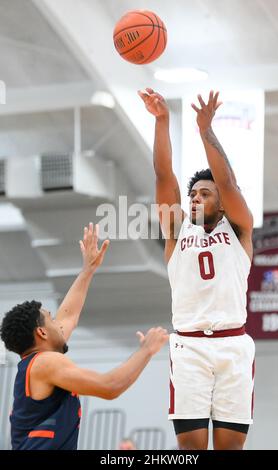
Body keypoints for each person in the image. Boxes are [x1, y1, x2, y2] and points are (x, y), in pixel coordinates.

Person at [138, 89, 255, 450]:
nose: (195, 198)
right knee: (190, 448)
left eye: (205, 193)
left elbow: (229, 183)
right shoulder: (177, 231)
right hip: (188, 345)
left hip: (233, 344)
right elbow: (163, 176)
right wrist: (162, 121)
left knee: (230, 447)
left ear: (221, 204)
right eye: (193, 194)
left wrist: (205, 131)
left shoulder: (237, 230)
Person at [0, 223, 168, 450]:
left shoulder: (36, 362)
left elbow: (69, 317)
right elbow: (110, 387)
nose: (59, 323)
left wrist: (87, 270)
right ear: (41, 332)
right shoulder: (45, 363)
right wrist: (146, 350)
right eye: (51, 319)